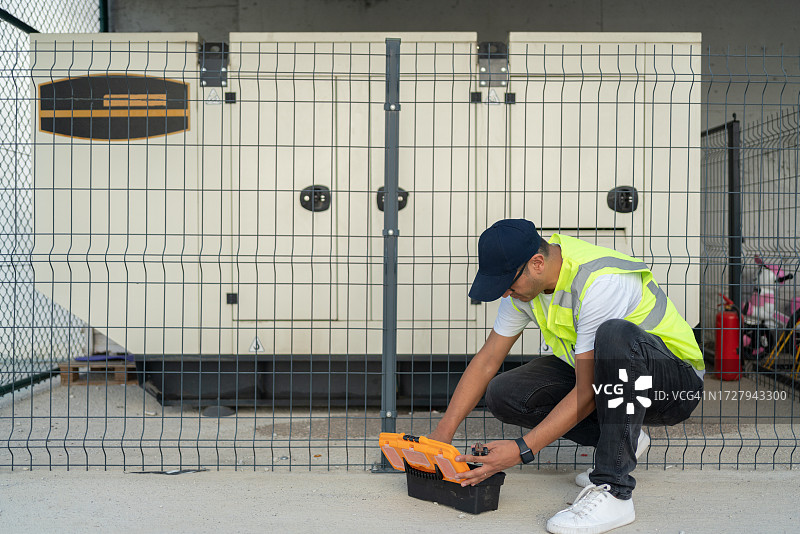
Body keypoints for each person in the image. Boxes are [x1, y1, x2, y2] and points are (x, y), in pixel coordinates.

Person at [427, 219, 704, 534]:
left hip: (673, 386)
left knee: (615, 335)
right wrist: (442, 435)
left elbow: (587, 391)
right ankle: (625, 439)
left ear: (538, 263)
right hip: (616, 382)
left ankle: (614, 491)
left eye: (509, 283)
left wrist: (522, 449)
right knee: (505, 392)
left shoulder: (599, 282)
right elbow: (488, 360)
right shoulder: (525, 289)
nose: (505, 293)